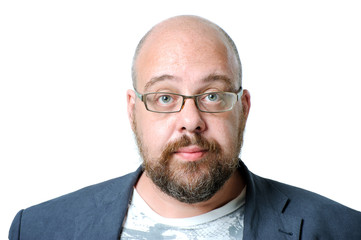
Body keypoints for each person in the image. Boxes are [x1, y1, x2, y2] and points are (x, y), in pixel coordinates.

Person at [9, 15, 361, 240]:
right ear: (134, 112)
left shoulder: (343, 230)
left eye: (212, 95)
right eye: (165, 98)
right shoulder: (39, 229)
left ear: (243, 108)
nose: (191, 120)